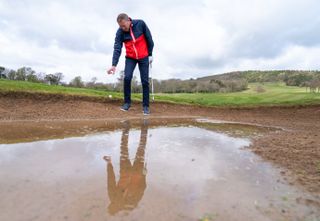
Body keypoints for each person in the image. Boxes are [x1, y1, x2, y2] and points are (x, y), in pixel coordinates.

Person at [107, 13, 154, 115]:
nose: (122, 28)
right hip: (130, 58)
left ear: (128, 20)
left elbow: (149, 39)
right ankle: (127, 103)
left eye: (124, 25)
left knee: (145, 81)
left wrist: (150, 54)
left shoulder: (140, 24)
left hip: (144, 57)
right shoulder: (120, 32)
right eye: (120, 26)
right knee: (127, 78)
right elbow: (117, 48)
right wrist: (114, 65)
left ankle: (146, 106)